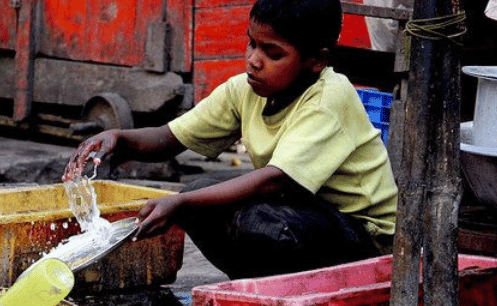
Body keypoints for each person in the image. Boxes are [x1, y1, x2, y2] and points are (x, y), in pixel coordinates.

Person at [64, 0, 398, 280]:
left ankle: (271, 292)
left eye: (273, 53)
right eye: (252, 43)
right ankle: (251, 289)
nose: (254, 60)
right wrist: (118, 138)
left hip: (368, 242)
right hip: (307, 216)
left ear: (316, 61)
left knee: (258, 222)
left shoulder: (330, 96)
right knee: (197, 195)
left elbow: (275, 181)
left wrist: (178, 204)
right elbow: (170, 137)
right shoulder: (245, 89)